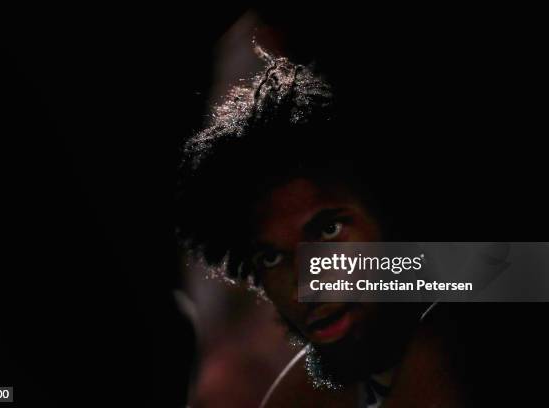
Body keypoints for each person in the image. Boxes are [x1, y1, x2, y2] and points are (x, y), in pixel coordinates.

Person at [176, 48, 544, 407]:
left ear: (392, 211)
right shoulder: (302, 395)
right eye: (272, 258)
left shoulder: (494, 298)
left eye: (329, 231)